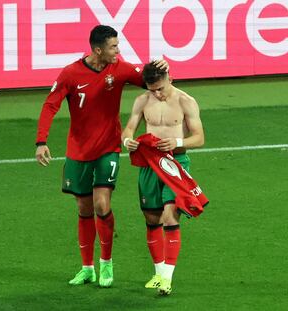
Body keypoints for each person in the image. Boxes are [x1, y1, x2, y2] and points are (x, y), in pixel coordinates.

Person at [35, 25, 168, 288]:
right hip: (78, 150)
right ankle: (87, 268)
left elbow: (150, 80)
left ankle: (106, 263)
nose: (118, 51)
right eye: (113, 47)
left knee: (101, 204)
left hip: (108, 148)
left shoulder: (119, 68)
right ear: (98, 50)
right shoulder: (71, 73)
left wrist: (162, 68)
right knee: (83, 208)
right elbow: (51, 104)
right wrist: (42, 141)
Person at [121, 62, 205, 295]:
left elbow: (199, 138)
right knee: (152, 219)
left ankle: (167, 278)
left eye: (160, 88)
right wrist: (128, 141)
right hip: (149, 165)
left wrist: (177, 143)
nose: (156, 93)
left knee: (170, 217)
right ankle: (158, 274)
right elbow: (128, 130)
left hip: (175, 165)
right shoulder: (142, 101)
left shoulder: (186, 101)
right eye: (152, 89)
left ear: (169, 78)